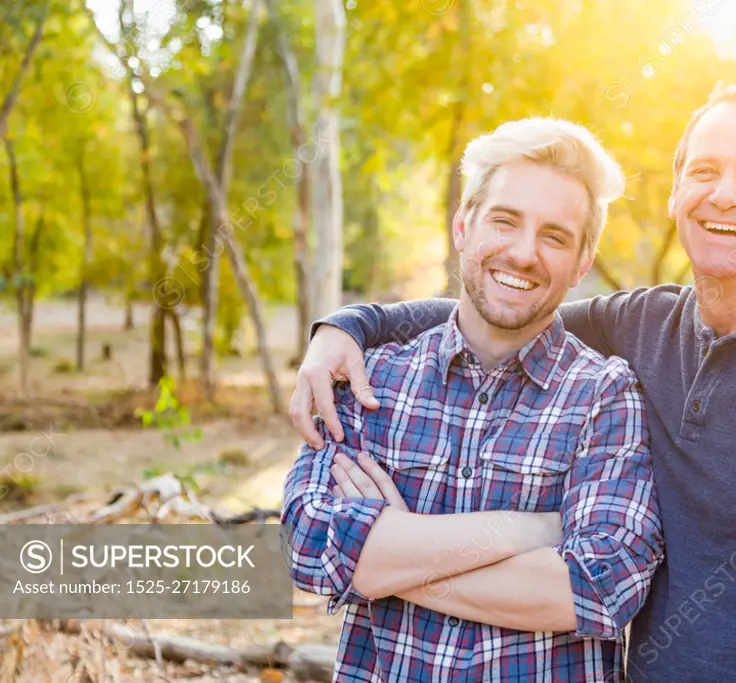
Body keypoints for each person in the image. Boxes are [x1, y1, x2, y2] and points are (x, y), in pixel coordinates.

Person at [291, 84, 736, 682]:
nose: (724, 195)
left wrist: (386, 562)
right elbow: (509, 299)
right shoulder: (644, 323)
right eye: (704, 171)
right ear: (676, 194)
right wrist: (350, 325)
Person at [282, 117, 664, 682]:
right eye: (505, 222)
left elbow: (599, 588)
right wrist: (525, 531)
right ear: (464, 224)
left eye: (555, 236)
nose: (524, 253)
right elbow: (310, 546)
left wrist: (391, 549)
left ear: (583, 263)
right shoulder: (373, 380)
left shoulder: (604, 396)